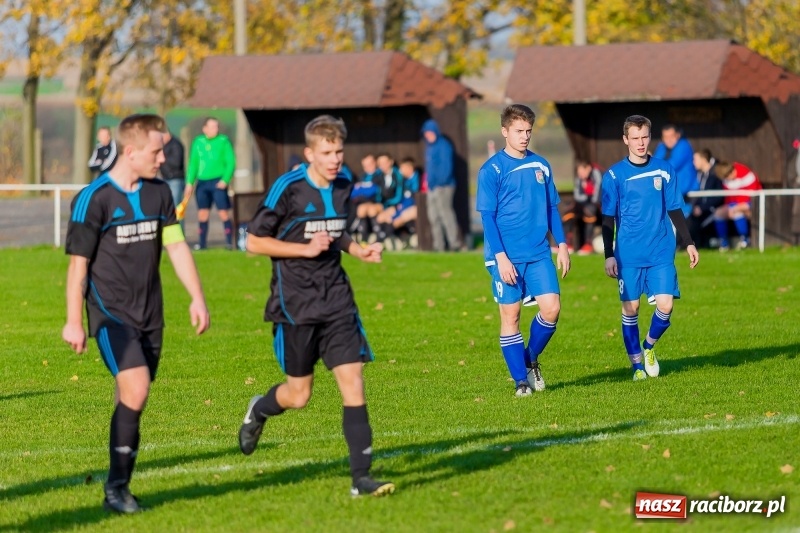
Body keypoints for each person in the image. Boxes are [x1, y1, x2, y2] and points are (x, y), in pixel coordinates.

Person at [237, 115, 394, 497]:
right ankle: (259, 409)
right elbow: (252, 241)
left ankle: (361, 479)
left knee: (353, 383)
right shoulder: (288, 188)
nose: (335, 159)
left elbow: (336, 232)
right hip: (296, 304)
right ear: (310, 154)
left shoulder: (344, 183)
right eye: (326, 153)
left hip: (337, 299)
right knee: (299, 395)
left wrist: (358, 250)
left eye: (338, 151)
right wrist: (304, 250)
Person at [62, 114, 210, 514]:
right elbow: (78, 266)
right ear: (131, 151)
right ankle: (117, 489)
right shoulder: (94, 199)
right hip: (110, 315)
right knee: (137, 387)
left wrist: (197, 298)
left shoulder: (159, 194)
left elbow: (176, 246)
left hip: (151, 315)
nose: (163, 159)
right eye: (157, 151)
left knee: (131, 397)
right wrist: (74, 321)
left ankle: (118, 484)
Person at [476, 104, 571, 397]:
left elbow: (552, 208)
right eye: (519, 131)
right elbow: (487, 218)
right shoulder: (491, 170)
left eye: (528, 131)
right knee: (512, 316)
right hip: (506, 256)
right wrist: (501, 258)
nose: (525, 136)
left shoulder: (541, 165)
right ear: (505, 132)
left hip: (539, 252)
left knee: (552, 309)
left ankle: (529, 359)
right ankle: (521, 382)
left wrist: (562, 245)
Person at [600, 115, 699, 382]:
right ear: (626, 140)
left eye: (644, 136)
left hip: (660, 251)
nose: (641, 142)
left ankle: (649, 346)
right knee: (631, 309)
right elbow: (608, 218)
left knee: (665, 306)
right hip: (629, 254)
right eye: (635, 138)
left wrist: (689, 242)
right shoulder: (614, 175)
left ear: (650, 137)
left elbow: (675, 208)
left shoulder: (664, 170)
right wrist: (609, 255)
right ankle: (636, 367)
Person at [184, 117, 236, 250]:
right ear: (205, 129)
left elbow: (230, 161)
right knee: (202, 213)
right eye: (212, 127)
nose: (215, 129)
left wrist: (225, 179)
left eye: (216, 126)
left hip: (218, 181)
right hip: (202, 182)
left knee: (223, 212)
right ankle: (202, 244)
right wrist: (189, 182)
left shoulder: (223, 141)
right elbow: (193, 163)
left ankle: (229, 242)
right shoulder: (198, 142)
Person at [422, 119, 463, 251]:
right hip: (432, 187)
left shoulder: (444, 145)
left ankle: (454, 243)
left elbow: (446, 168)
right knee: (433, 216)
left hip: (443, 186)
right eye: (426, 133)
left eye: (430, 132)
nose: (428, 135)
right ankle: (438, 245)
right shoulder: (429, 147)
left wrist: (440, 183)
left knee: (446, 215)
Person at [713, 160, 763, 251]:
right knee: (718, 213)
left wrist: (737, 207)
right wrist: (731, 207)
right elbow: (729, 198)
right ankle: (724, 243)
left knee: (736, 211)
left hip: (752, 204)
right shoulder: (726, 180)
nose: (729, 178)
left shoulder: (747, 175)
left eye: (728, 175)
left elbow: (754, 197)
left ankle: (745, 240)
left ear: (731, 171)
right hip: (733, 205)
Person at [653, 124, 696, 215]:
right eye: (666, 137)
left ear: (678, 135)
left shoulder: (684, 146)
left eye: (671, 136)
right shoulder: (662, 147)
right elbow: (655, 164)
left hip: (685, 195)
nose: (669, 139)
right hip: (668, 194)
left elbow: (671, 166)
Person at [562, 159, 602, 254]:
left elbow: (596, 197)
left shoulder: (597, 175)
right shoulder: (579, 179)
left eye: (582, 172)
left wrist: (588, 199)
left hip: (598, 207)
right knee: (568, 212)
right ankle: (567, 244)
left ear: (588, 168)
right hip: (583, 204)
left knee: (590, 210)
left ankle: (588, 244)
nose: (580, 175)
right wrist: (586, 198)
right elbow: (577, 196)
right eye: (579, 173)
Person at [688, 149, 724, 248]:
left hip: (711, 210)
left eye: (695, 159)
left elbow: (719, 197)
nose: (693, 162)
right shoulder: (699, 175)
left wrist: (702, 208)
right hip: (700, 210)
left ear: (703, 160)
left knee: (694, 223)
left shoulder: (715, 174)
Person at [160, 130, 186, 219]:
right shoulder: (164, 145)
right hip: (165, 178)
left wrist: (164, 158)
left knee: (176, 207)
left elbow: (176, 162)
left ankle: (178, 227)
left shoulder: (176, 145)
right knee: (166, 208)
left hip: (175, 179)